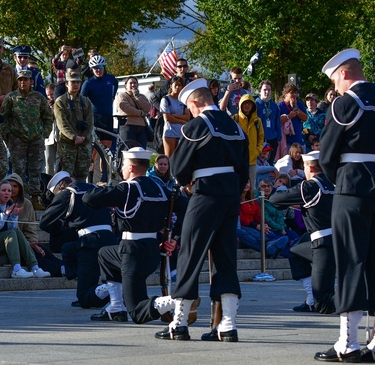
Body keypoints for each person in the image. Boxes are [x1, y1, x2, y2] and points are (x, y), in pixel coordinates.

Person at [317, 49, 375, 364]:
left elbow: (327, 155)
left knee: (351, 262)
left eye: (334, 80)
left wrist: (343, 182)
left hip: (352, 188)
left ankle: (348, 342)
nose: (336, 88)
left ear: (343, 73)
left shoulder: (346, 103)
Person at [139, 79, 248, 340]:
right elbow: (245, 168)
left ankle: (179, 323)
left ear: (196, 102)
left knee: (190, 256)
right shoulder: (234, 126)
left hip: (206, 194)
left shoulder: (196, 126)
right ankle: (228, 325)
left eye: (189, 107)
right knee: (225, 258)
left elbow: (178, 168)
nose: (189, 112)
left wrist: (187, 180)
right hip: (231, 196)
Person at [83, 148, 168, 321]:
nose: (121, 168)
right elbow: (183, 208)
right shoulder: (160, 187)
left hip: (132, 252)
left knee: (137, 311)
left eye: (123, 164)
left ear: (130, 167)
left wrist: (103, 189)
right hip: (151, 250)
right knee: (105, 254)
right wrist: (172, 238)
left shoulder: (127, 189)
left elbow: (89, 199)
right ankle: (115, 307)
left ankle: (175, 301)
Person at [270, 151, 335, 314]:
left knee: (325, 304)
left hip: (324, 243)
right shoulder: (335, 184)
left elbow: (275, 200)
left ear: (310, 168)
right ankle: (311, 299)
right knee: (296, 252)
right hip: (340, 238)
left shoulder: (311, 186)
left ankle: (354, 299)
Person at [40, 170, 115, 309]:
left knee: (84, 299)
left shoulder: (67, 194)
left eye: (55, 193)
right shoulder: (95, 188)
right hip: (109, 238)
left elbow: (45, 223)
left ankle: (110, 289)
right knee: (68, 249)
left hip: (90, 242)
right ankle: (82, 278)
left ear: (61, 187)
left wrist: (61, 224)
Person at [0, 180, 49, 279]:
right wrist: (4, 215)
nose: (7, 193)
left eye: (9, 191)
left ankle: (35, 267)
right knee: (11, 234)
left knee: (16, 232)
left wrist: (13, 216)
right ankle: (16, 269)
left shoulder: (10, 204)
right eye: (3, 190)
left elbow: (12, 228)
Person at [1, 70, 52, 204]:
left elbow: (48, 117)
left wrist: (44, 134)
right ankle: (18, 199)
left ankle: (35, 199)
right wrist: (9, 136)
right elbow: (4, 119)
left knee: (35, 170)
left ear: (31, 82)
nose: (22, 82)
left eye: (25, 80)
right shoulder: (11, 97)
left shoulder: (39, 97)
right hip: (17, 140)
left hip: (36, 139)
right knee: (19, 171)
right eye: (20, 80)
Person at [53, 69, 94, 180]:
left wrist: (83, 137)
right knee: (66, 176)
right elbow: (62, 123)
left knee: (82, 176)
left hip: (83, 145)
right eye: (72, 82)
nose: (75, 85)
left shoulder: (86, 101)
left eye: (78, 82)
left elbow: (90, 122)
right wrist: (74, 137)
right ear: (66, 84)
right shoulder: (60, 101)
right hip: (67, 145)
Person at [82, 55, 118, 150]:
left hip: (108, 117)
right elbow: (81, 100)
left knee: (106, 149)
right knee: (95, 148)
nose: (98, 70)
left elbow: (116, 83)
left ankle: (105, 166)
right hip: (95, 118)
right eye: (95, 68)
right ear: (91, 69)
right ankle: (92, 165)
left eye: (101, 67)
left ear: (104, 67)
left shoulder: (110, 78)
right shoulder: (88, 83)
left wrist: (113, 96)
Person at [232, 94, 264, 190]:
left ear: (253, 106)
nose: (247, 105)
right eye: (245, 103)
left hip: (252, 161)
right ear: (240, 105)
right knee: (237, 187)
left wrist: (257, 150)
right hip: (237, 161)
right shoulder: (234, 119)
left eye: (249, 103)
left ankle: (250, 205)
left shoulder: (257, 121)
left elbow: (261, 137)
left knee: (251, 189)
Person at [116, 77, 151, 148]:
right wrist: (141, 113)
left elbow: (147, 108)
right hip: (128, 126)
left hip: (141, 127)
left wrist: (137, 97)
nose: (133, 85)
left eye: (135, 83)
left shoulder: (142, 96)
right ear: (126, 85)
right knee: (128, 151)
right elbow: (126, 108)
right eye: (131, 83)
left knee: (141, 151)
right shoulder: (122, 95)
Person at [160, 77, 187, 156]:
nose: (177, 87)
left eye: (180, 85)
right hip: (170, 132)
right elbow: (167, 118)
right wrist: (181, 121)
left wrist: (174, 115)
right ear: (171, 86)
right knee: (169, 158)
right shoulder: (166, 99)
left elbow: (187, 117)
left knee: (180, 158)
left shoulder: (183, 100)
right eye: (176, 85)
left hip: (181, 133)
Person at [278, 83, 308, 149]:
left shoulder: (299, 104)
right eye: (292, 93)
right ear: (285, 94)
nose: (294, 95)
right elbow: (277, 122)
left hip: (299, 142)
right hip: (286, 143)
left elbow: (305, 118)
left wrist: (295, 107)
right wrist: (288, 117)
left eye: (296, 93)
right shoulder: (280, 106)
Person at [256, 81, 282, 155]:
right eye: (264, 90)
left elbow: (278, 123)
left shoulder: (274, 106)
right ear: (260, 91)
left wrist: (278, 138)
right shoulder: (256, 104)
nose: (267, 92)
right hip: (260, 138)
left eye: (269, 90)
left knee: (270, 162)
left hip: (272, 138)